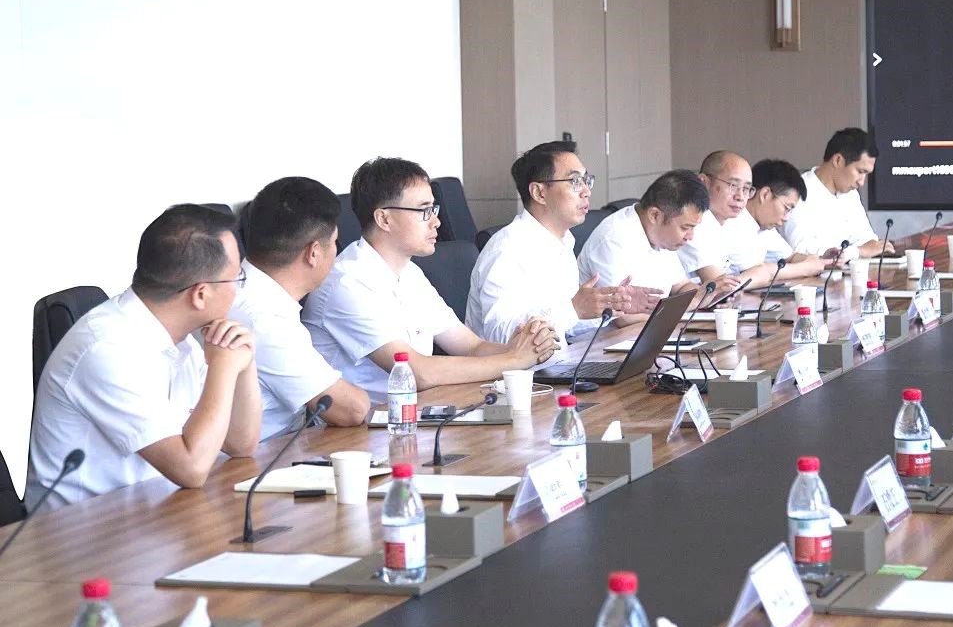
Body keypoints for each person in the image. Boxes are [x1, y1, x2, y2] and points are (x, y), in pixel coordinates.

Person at [27, 205, 261, 511]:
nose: (239, 289)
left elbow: (240, 444)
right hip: (86, 530)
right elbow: (191, 468)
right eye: (237, 278)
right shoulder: (107, 348)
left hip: (160, 510)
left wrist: (244, 362)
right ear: (200, 294)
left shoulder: (181, 335)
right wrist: (224, 368)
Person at [302, 158, 556, 400]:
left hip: (419, 411)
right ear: (384, 219)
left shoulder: (410, 273)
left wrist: (527, 347)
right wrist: (514, 360)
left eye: (433, 209)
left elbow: (471, 347)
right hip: (364, 424)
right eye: (424, 210)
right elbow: (416, 372)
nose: (436, 222)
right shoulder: (347, 282)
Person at [232, 177, 371, 439]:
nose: (336, 252)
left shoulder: (246, 291)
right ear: (314, 253)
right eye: (335, 242)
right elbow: (350, 410)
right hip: (260, 457)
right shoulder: (263, 316)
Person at [465, 141, 641, 345]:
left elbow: (567, 326)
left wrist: (609, 307)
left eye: (586, 180)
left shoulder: (563, 241)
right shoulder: (507, 250)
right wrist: (574, 309)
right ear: (539, 193)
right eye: (575, 181)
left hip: (559, 359)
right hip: (514, 366)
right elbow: (500, 335)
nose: (586, 191)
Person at [578, 169, 717, 324]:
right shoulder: (612, 238)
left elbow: (681, 286)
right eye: (685, 228)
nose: (690, 237)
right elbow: (622, 318)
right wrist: (688, 304)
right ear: (655, 215)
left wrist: (706, 295)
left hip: (648, 328)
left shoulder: (662, 236)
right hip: (601, 335)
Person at [781, 127, 892, 258]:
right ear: (838, 160)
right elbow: (801, 250)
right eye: (860, 172)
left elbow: (866, 240)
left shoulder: (851, 194)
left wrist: (877, 247)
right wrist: (857, 251)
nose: (862, 182)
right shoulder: (796, 191)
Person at [724, 159, 829, 288]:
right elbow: (757, 272)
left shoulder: (765, 227)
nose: (786, 218)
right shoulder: (733, 221)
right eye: (786, 208)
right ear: (765, 195)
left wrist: (820, 260)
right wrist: (805, 268)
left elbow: (790, 257)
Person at [678, 150, 757, 292]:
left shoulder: (734, 218)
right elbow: (720, 287)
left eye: (746, 188)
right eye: (733, 185)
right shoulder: (692, 222)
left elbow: (760, 270)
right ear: (704, 182)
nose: (740, 196)